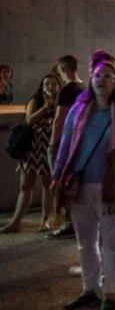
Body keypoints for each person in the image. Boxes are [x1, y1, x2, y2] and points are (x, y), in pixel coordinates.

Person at [51, 60, 115, 310]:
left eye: (107, 76)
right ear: (90, 80)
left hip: (112, 186)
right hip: (80, 184)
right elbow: (65, 144)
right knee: (85, 241)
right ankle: (89, 288)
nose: (101, 80)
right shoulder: (78, 110)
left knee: (113, 240)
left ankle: (109, 292)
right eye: (97, 75)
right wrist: (56, 173)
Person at [1, 73, 59, 232]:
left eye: (54, 84)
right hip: (32, 149)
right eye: (47, 84)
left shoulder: (60, 103)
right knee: (26, 186)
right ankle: (16, 222)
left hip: (49, 149)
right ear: (42, 86)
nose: (50, 87)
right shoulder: (36, 101)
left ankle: (44, 221)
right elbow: (30, 120)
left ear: (59, 86)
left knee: (48, 186)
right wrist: (45, 108)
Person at [49, 55, 86, 240]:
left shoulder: (66, 90)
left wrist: (52, 143)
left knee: (61, 183)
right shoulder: (84, 88)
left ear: (63, 69)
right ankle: (74, 223)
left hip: (65, 142)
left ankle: (67, 223)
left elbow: (59, 120)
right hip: (79, 142)